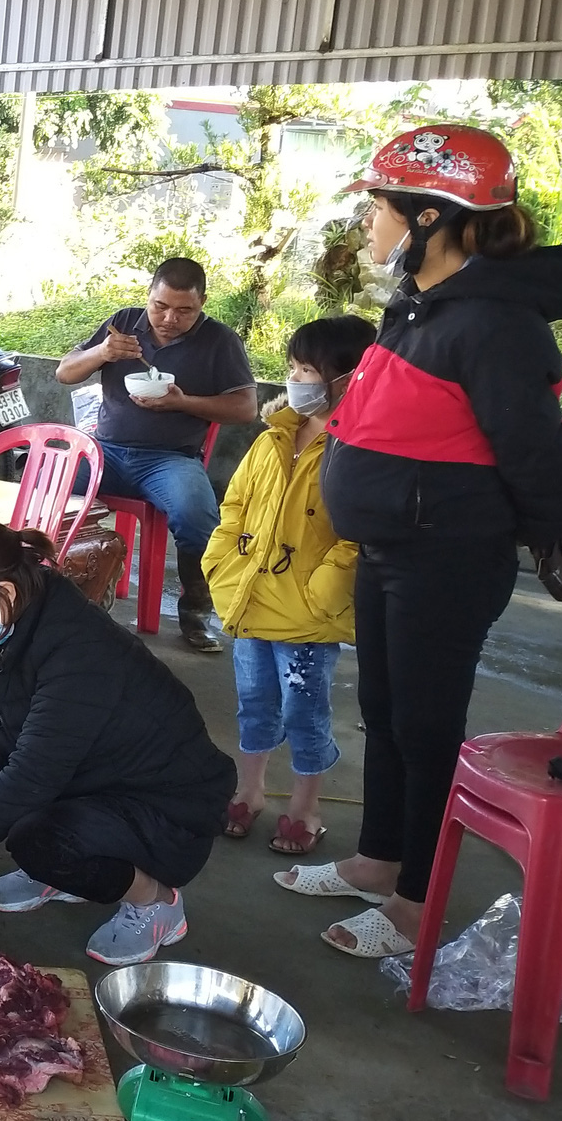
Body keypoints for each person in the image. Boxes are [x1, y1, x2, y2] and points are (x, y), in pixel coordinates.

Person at [277, 124, 562, 960]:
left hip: (445, 555)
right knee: (384, 710)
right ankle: (379, 857)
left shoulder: (493, 324)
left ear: (431, 216)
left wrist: (556, 530)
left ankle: (417, 905)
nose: (368, 221)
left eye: (378, 205)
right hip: (390, 549)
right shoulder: (418, 304)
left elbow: (534, 447)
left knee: (426, 721)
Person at [0, 515, 236, 966]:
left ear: (6, 592)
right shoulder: (1, 620)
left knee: (39, 841)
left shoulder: (79, 648)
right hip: (92, 765)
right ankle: (62, 877)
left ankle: (155, 902)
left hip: (164, 801)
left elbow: (32, 775)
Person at [207, 315, 375, 856]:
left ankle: (306, 807)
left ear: (348, 377)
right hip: (251, 599)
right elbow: (234, 504)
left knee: (306, 712)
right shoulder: (274, 436)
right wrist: (224, 562)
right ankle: (249, 790)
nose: (296, 379)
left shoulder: (359, 446)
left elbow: (361, 532)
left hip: (307, 615)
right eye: (294, 367)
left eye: (310, 369)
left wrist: (322, 591)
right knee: (254, 702)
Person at [55, 258, 259, 653]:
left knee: (198, 518)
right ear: (148, 297)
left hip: (169, 458)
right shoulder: (124, 322)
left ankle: (196, 614)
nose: (169, 318)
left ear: (203, 303)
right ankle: (52, 596)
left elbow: (246, 409)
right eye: (160, 306)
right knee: (46, 490)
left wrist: (183, 403)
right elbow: (65, 373)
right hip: (107, 451)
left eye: (185, 311)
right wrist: (102, 352)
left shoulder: (220, 340)